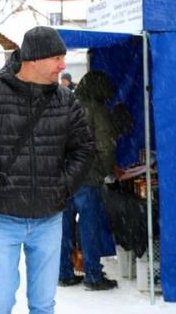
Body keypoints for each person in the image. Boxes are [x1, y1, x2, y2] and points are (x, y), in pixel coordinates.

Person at [0, 26, 93, 314]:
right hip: (3, 218)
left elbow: (83, 149)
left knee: (44, 304)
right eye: (57, 58)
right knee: (0, 302)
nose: (63, 65)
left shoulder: (67, 101)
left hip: (49, 218)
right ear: (33, 59)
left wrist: (63, 186)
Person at [59, 70, 120, 290]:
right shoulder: (97, 109)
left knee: (63, 227)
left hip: (64, 176)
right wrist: (103, 171)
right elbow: (105, 146)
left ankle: (64, 272)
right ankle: (93, 274)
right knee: (89, 227)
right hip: (87, 176)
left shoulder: (64, 104)